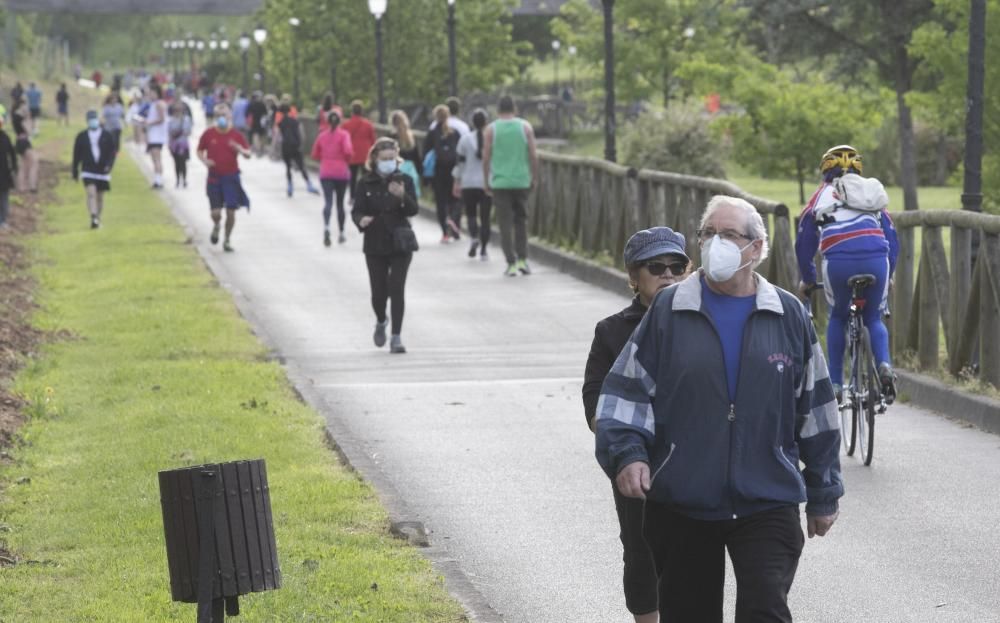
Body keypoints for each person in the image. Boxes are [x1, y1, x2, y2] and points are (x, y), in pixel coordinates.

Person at [595, 195, 843, 623]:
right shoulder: (669, 311)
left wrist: (823, 491)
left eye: (728, 235)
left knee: (765, 609)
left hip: (768, 497)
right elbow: (624, 393)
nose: (715, 244)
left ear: (757, 248)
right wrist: (629, 455)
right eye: (708, 234)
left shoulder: (788, 314)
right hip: (683, 500)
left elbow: (816, 406)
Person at [583, 227, 691, 623]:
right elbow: (594, 399)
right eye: (655, 267)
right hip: (637, 457)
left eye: (677, 267)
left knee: (695, 551)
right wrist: (621, 440)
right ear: (633, 276)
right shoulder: (612, 331)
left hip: (696, 456)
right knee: (640, 547)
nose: (668, 275)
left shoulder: (704, 321)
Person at [795, 144, 900, 403]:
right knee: (874, 318)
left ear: (825, 172)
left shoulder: (820, 196)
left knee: (839, 317)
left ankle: (835, 383)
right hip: (877, 259)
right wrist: (891, 273)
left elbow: (804, 242)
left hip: (839, 262)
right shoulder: (870, 194)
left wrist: (808, 280)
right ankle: (885, 365)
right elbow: (892, 238)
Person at [351, 137, 419, 354]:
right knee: (378, 294)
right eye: (384, 159)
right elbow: (357, 210)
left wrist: (402, 196)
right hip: (375, 243)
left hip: (400, 242)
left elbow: (413, 210)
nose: (389, 163)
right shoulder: (365, 183)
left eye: (392, 159)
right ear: (375, 159)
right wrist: (361, 220)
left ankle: (396, 337)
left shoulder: (404, 180)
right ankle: (381, 319)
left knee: (396, 288)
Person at [482, 95, 539, 277]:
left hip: (500, 182)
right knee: (521, 221)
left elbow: (486, 157)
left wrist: (486, 180)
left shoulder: (491, 129)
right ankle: (523, 259)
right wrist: (534, 177)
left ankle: (511, 263)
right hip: (522, 181)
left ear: (498, 110)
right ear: (514, 108)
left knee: (505, 224)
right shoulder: (525, 127)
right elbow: (533, 155)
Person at [196, 103, 252, 253]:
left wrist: (239, 149)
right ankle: (216, 225)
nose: (221, 118)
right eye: (218, 116)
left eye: (224, 115)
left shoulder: (236, 135)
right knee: (216, 212)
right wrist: (205, 161)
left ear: (229, 116)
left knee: (231, 211)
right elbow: (200, 150)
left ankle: (227, 239)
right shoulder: (208, 134)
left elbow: (248, 154)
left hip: (231, 178)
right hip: (214, 178)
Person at [453, 108, 492, 259]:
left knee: (470, 214)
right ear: (486, 122)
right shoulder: (491, 139)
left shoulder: (465, 139)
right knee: (485, 217)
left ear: (472, 123)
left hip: (468, 182)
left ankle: (474, 237)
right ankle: (483, 250)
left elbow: (460, 163)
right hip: (486, 182)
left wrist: (457, 181)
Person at [310, 110, 353, 246]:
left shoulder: (322, 136)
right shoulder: (344, 135)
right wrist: (345, 160)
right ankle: (341, 232)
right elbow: (347, 151)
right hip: (341, 172)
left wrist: (325, 159)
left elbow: (315, 154)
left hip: (326, 172)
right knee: (340, 204)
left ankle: (327, 227)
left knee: (328, 202)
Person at [71, 110, 117, 230]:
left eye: (94, 119)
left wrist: (109, 165)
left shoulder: (107, 136)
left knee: (100, 196)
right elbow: (76, 155)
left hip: (102, 170)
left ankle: (98, 217)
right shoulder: (81, 137)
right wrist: (75, 171)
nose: (93, 122)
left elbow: (112, 153)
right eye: (91, 119)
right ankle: (93, 217)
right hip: (88, 169)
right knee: (91, 193)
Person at [424, 104, 462, 243]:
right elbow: (460, 154)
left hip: (437, 172)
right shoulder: (455, 133)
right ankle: (453, 219)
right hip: (452, 172)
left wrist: (426, 178)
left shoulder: (432, 133)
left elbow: (426, 155)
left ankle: (445, 233)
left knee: (440, 202)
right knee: (455, 199)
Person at [276, 99, 319, 197]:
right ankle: (309, 184)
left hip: (285, 147)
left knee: (288, 168)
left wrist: (277, 149)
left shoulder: (280, 123)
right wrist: (300, 144)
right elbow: (302, 134)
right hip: (295, 146)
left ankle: (290, 186)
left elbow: (278, 137)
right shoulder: (295, 121)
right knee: (301, 166)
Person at [341, 100, 376, 202]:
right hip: (365, 154)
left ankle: (352, 197)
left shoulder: (346, 125)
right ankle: (366, 196)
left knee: (352, 177)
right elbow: (373, 140)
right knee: (366, 176)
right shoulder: (368, 124)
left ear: (352, 111)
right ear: (362, 111)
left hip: (352, 154)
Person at [142, 85, 168, 189]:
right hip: (153, 134)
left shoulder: (159, 104)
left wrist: (149, 123)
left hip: (157, 135)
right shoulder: (153, 104)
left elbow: (161, 119)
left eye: (152, 93)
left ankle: (159, 180)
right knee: (154, 158)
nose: (150, 95)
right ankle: (157, 179)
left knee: (157, 158)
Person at [11, 100, 37, 194]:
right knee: (33, 162)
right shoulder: (20, 117)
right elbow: (29, 131)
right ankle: (32, 186)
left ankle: (22, 186)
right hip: (24, 141)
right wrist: (28, 117)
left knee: (24, 165)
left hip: (20, 141)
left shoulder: (15, 116)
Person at [167, 101, 193, 188]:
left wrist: (181, 132)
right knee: (176, 163)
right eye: (176, 110)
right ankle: (178, 180)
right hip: (174, 145)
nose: (177, 112)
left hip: (183, 144)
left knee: (183, 163)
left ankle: (184, 180)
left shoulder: (186, 119)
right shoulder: (170, 120)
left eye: (179, 110)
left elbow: (188, 132)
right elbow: (169, 132)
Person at [0, 118, 17, 231]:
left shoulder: (5, 137)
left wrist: (14, 168)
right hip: (4, 174)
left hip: (4, 175)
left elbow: (12, 155)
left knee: (4, 199)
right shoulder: (5, 137)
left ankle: (3, 221)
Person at [246, 92, 269, 156]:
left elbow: (248, 114)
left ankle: (257, 149)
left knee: (255, 135)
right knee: (261, 136)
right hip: (262, 122)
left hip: (254, 122)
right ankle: (261, 149)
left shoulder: (251, 104)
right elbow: (266, 113)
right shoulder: (262, 104)